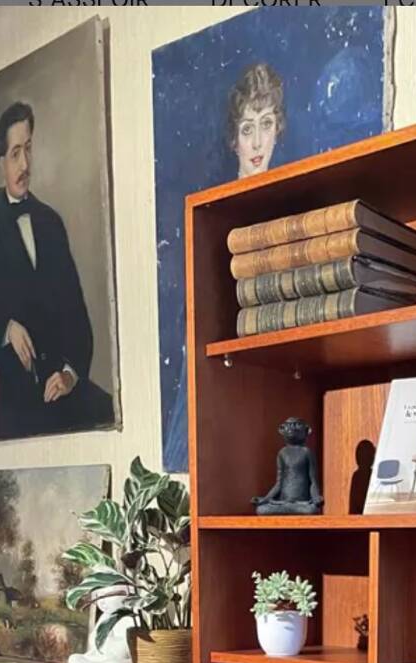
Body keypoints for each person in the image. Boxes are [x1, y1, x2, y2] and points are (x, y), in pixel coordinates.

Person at [0, 101, 114, 439]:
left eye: (28, 149)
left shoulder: (50, 221)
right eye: (15, 153)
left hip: (59, 382)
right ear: (0, 161)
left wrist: (70, 374)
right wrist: (6, 328)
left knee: (108, 412)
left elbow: (77, 315)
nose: (25, 164)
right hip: (19, 395)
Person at [163, 64, 286, 468]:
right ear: (234, 139)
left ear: (277, 129)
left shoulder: (289, 206)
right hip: (221, 367)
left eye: (265, 124)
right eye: (247, 128)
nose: (257, 141)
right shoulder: (213, 214)